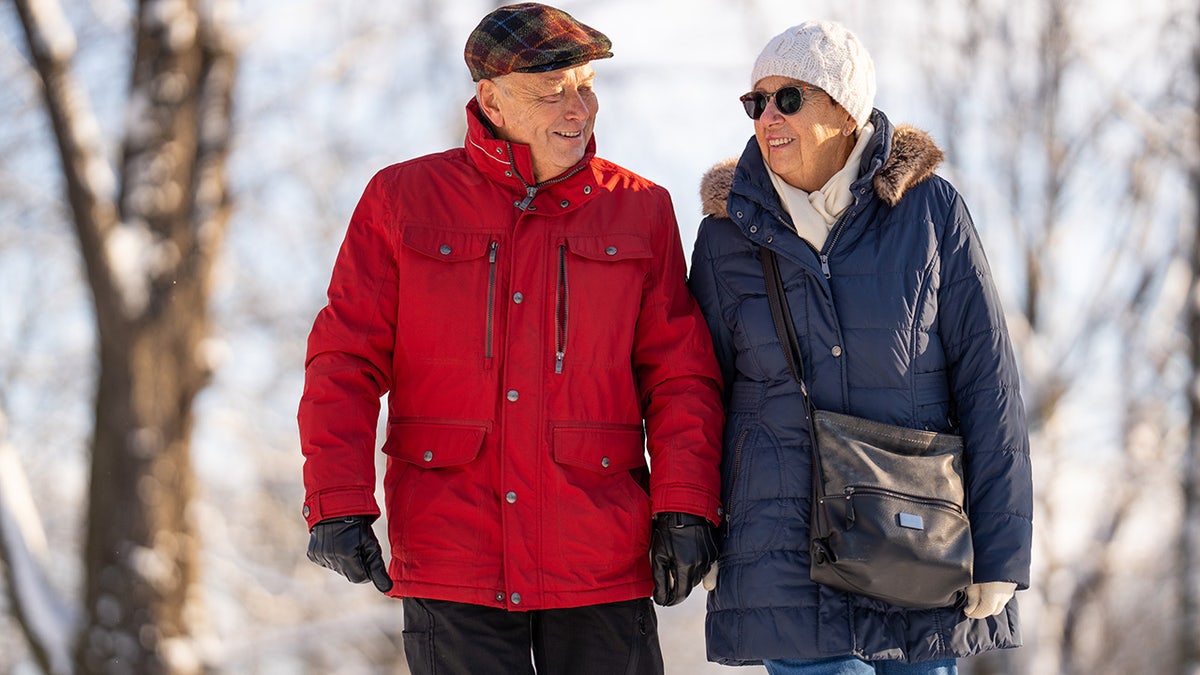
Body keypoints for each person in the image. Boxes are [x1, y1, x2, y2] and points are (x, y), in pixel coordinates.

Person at [298, 3, 724, 674]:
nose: (579, 106)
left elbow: (680, 376)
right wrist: (337, 499)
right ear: (490, 100)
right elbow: (343, 361)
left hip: (598, 553)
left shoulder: (639, 210)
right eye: (552, 91)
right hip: (453, 550)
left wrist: (686, 505)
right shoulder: (401, 201)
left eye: (586, 84)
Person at [688, 20, 1033, 675]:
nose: (767, 116)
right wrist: (698, 522)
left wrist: (1003, 549)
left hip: (918, 552)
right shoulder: (727, 236)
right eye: (755, 101)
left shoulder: (930, 214)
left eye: (789, 98)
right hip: (783, 563)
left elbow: (989, 385)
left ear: (844, 109)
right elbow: (696, 395)